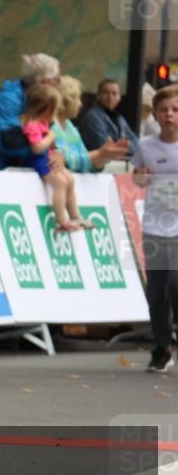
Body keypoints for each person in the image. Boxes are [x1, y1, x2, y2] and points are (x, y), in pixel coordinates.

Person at [133, 83, 178, 373]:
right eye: (163, 110)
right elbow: (137, 178)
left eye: (175, 110)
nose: (169, 115)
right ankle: (162, 348)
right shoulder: (146, 145)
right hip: (154, 225)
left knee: (176, 284)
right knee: (157, 293)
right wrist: (141, 177)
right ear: (155, 115)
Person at [19, 84, 90, 232]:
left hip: (47, 158)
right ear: (46, 109)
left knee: (70, 179)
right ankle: (62, 221)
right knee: (60, 183)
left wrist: (54, 148)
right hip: (38, 161)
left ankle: (75, 216)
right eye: (55, 110)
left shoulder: (43, 123)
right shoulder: (32, 125)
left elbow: (50, 146)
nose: (56, 114)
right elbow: (37, 147)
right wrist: (51, 136)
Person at [52, 75, 128, 173]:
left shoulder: (70, 127)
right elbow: (64, 161)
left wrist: (104, 158)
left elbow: (84, 160)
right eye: (77, 98)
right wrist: (99, 154)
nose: (80, 104)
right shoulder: (51, 125)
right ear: (66, 99)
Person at [79, 78, 137, 155]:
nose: (110, 97)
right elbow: (107, 147)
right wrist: (125, 144)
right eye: (105, 93)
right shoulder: (92, 117)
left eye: (114, 93)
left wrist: (119, 145)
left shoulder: (119, 118)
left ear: (119, 97)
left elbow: (136, 142)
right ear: (98, 96)